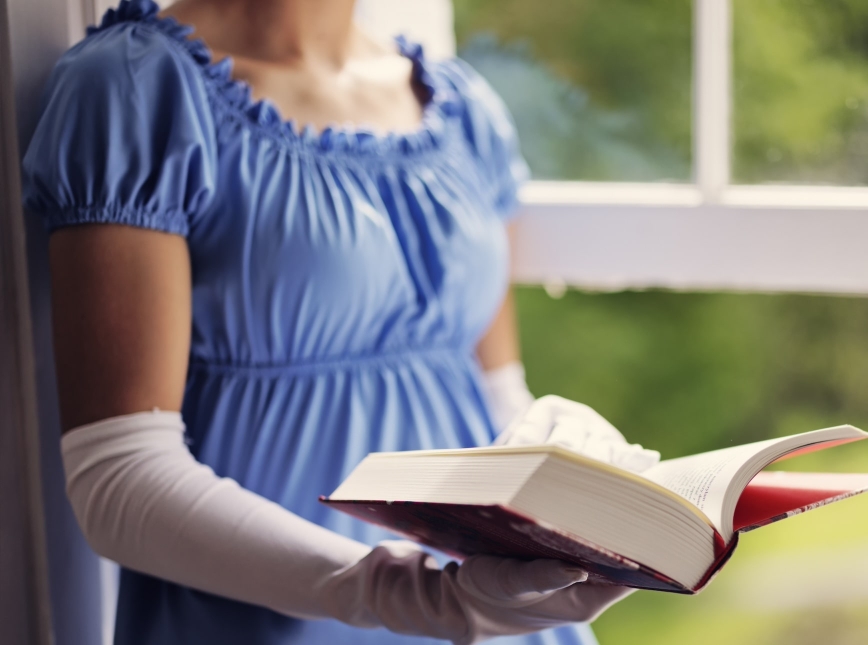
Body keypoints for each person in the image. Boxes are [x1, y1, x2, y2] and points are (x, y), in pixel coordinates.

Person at [21, 1, 658, 643]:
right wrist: (405, 595)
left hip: (496, 616)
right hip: (277, 618)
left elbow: (494, 396)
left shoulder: (463, 107)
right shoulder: (135, 88)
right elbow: (118, 474)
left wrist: (565, 463)